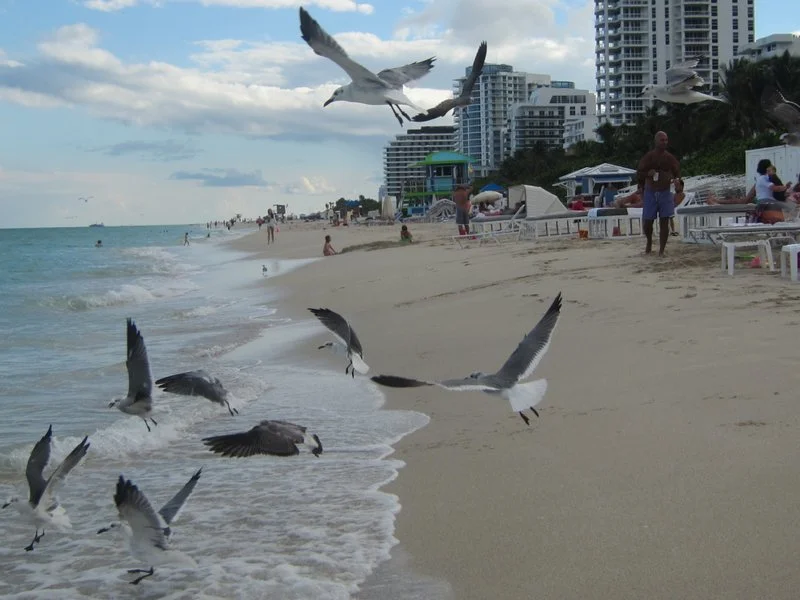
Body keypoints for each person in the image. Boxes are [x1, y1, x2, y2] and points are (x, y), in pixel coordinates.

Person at [637, 131, 680, 256]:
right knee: (648, 222)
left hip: (665, 191)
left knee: (664, 221)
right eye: (662, 140)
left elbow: (677, 172)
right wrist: (647, 174)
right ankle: (649, 241)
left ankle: (661, 250)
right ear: (656, 141)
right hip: (650, 191)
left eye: (666, 140)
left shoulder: (670, 157)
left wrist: (677, 180)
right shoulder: (649, 157)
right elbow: (639, 173)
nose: (665, 142)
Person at [753, 159, 793, 224]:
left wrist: (785, 190)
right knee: (790, 206)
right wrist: (785, 187)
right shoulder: (763, 178)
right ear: (767, 168)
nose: (772, 166)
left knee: (789, 206)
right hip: (766, 201)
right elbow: (775, 188)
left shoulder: (765, 178)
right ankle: (789, 224)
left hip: (768, 200)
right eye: (770, 165)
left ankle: (786, 223)